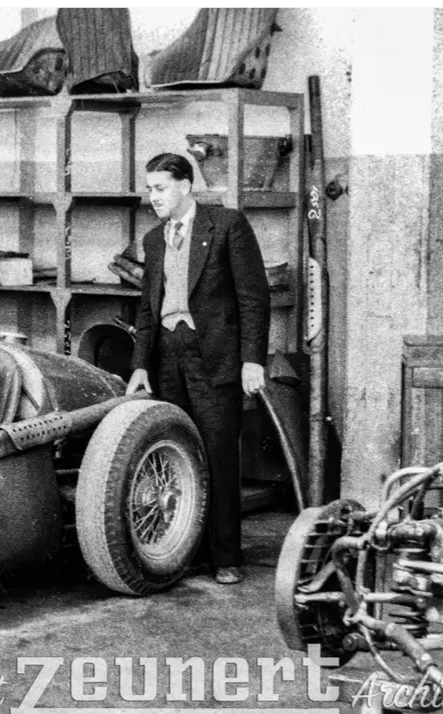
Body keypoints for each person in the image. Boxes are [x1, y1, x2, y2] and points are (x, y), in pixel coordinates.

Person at [126, 152, 270, 585]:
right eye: (149, 189)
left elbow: (253, 298)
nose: (153, 197)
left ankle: (225, 557)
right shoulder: (154, 239)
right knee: (176, 451)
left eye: (160, 188)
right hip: (167, 355)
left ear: (186, 186)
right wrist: (140, 365)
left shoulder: (226, 225)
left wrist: (252, 359)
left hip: (215, 355)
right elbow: (147, 309)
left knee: (218, 453)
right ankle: (184, 549)